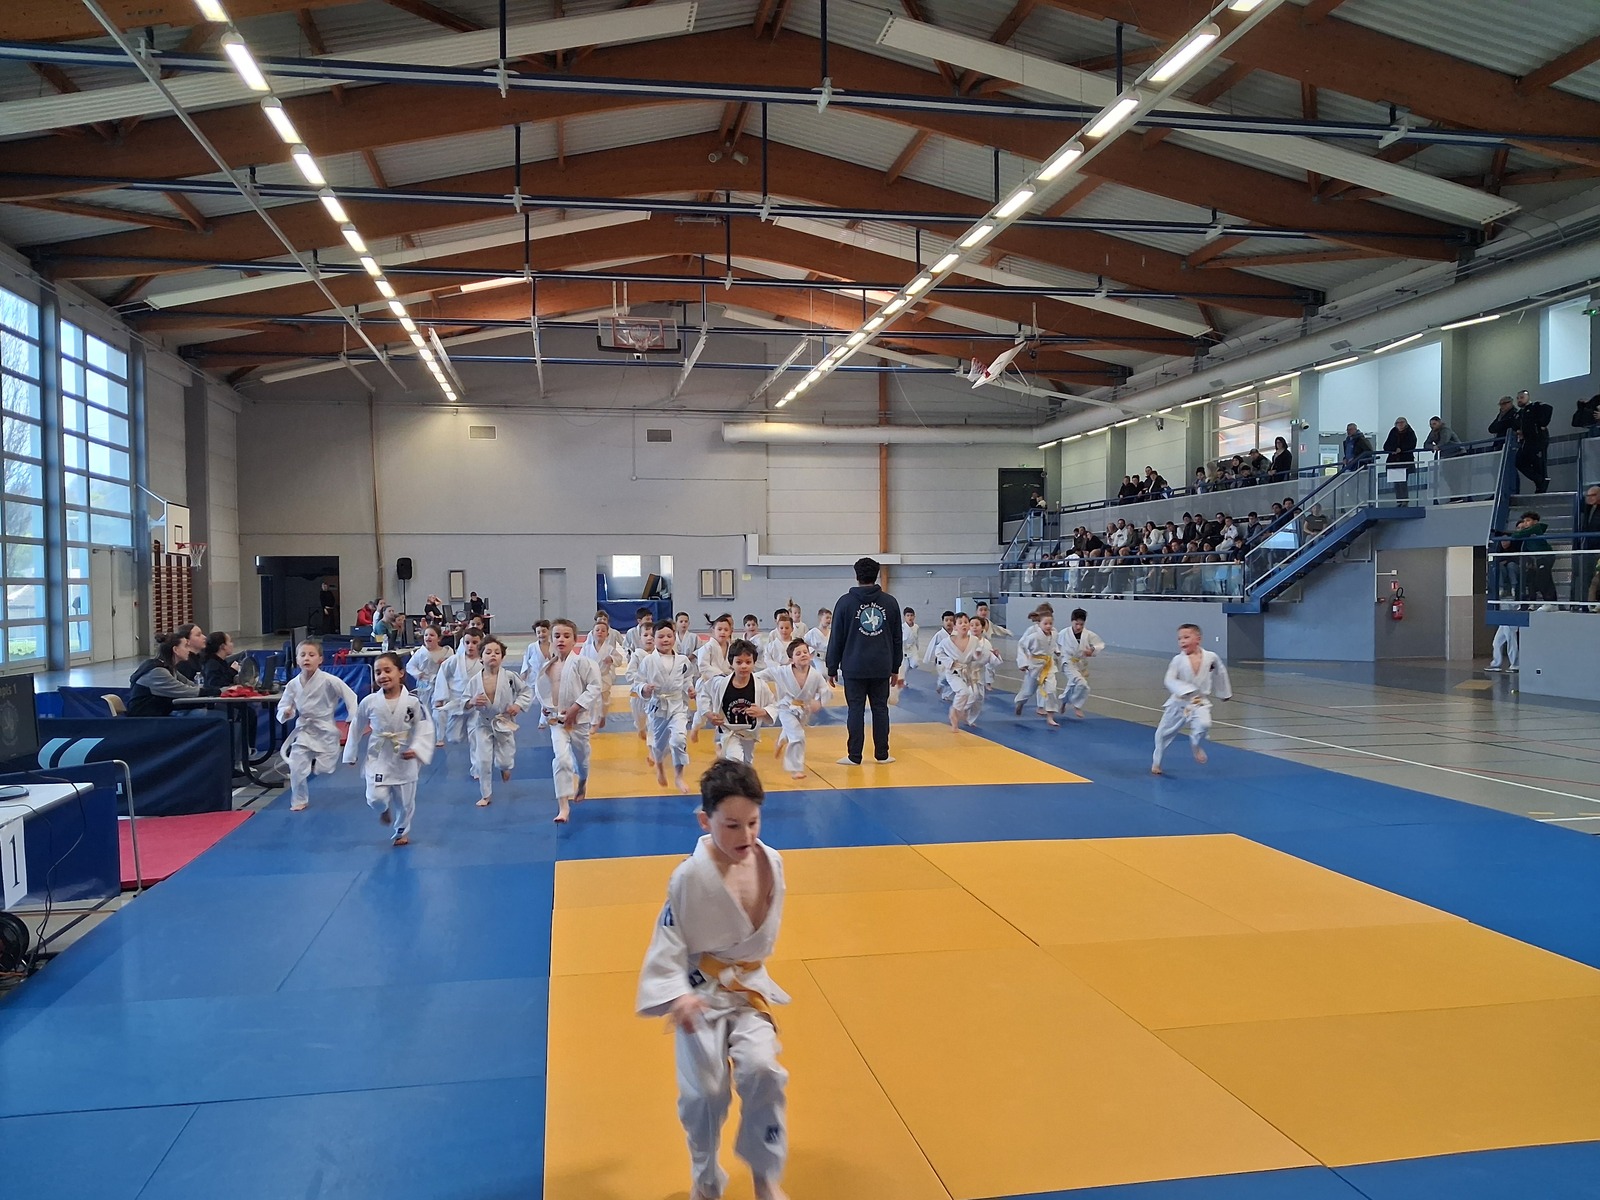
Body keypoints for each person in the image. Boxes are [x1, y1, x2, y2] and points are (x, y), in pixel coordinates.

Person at [636, 759, 789, 1200]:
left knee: (764, 1071)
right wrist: (675, 995)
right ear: (705, 821)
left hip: (748, 991)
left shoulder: (772, 863)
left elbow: (759, 939)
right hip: (698, 993)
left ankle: (764, 1174)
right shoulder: (689, 877)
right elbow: (668, 940)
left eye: (753, 823)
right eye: (732, 826)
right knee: (704, 1096)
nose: (746, 836)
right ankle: (705, 1179)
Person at [342, 651, 433, 845]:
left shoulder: (413, 702)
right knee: (375, 797)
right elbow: (357, 726)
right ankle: (383, 809)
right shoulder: (369, 702)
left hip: (404, 755)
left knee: (405, 802)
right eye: (378, 672)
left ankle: (401, 832)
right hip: (379, 754)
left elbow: (424, 726)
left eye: (387, 670)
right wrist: (350, 753)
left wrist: (417, 748)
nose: (382, 676)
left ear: (401, 672)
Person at [824, 557, 903, 766]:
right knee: (880, 709)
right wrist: (895, 666)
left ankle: (854, 756)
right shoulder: (890, 602)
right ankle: (882, 754)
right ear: (876, 575)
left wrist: (831, 667)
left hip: (854, 665)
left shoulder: (845, 603)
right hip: (881, 665)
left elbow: (836, 637)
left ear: (856, 575)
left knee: (855, 710)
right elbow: (897, 638)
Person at [276, 641, 361, 812]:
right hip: (304, 729)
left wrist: (352, 716)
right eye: (302, 655)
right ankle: (299, 799)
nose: (306, 658)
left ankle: (320, 764)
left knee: (325, 768)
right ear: (297, 660)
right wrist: (286, 712)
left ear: (320, 659)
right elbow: (284, 704)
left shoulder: (329, 680)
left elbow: (350, 696)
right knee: (296, 766)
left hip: (325, 730)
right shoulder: (293, 684)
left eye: (311, 655)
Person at [536, 618, 603, 824]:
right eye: (557, 636)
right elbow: (543, 692)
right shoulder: (548, 666)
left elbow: (595, 686)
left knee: (582, 762)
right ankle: (563, 806)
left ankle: (582, 780)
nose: (561, 640)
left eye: (566, 636)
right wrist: (546, 709)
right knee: (562, 759)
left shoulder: (584, 663)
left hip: (579, 721)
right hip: (557, 722)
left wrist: (576, 707)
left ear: (575, 640)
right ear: (551, 639)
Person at [1151, 623, 1232, 776]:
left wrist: (1224, 693)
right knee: (1162, 734)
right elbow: (1169, 680)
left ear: (1198, 639)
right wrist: (1185, 689)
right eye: (1179, 639)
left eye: (1186, 637)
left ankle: (1195, 744)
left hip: (1198, 701)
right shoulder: (1177, 660)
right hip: (1178, 701)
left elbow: (1220, 672)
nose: (1182, 641)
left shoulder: (1211, 657)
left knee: (1204, 724)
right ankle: (1157, 762)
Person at [465, 636, 533, 807]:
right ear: (481, 657)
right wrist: (472, 701)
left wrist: (517, 705)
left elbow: (526, 691)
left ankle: (505, 768)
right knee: (483, 761)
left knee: (504, 760)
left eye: (497, 652)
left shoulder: (509, 676)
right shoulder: (474, 681)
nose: (493, 655)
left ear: (502, 657)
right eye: (488, 652)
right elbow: (464, 701)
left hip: (504, 721)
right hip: (483, 723)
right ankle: (486, 794)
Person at [634, 623, 696, 794]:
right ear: (653, 639)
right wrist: (644, 688)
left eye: (669, 636)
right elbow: (638, 682)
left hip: (677, 706)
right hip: (657, 706)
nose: (665, 639)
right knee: (658, 745)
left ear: (674, 638)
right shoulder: (648, 661)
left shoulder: (682, 660)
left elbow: (687, 678)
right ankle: (660, 768)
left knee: (679, 740)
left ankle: (679, 776)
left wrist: (690, 688)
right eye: (660, 636)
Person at [694, 639, 775, 765]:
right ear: (731, 663)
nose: (744, 666)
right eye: (739, 662)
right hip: (728, 730)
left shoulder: (760, 686)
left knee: (747, 764)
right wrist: (708, 714)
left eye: (748, 662)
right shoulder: (720, 683)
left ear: (754, 663)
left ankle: (727, 766)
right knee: (735, 760)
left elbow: (773, 705)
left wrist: (763, 711)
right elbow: (704, 694)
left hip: (749, 732)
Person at [762, 638, 827, 780]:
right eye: (798, 653)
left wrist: (819, 701)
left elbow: (824, 690)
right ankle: (795, 769)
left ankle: (781, 740)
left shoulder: (815, 675)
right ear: (791, 659)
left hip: (804, 710)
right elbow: (762, 675)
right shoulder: (782, 671)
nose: (803, 655)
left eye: (805, 652)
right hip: (786, 708)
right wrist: (744, 677)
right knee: (797, 735)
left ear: (810, 655)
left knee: (792, 730)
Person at [938, 611, 998, 731]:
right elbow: (938, 652)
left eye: (966, 622)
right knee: (964, 692)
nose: (964, 625)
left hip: (968, 672)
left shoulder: (974, 640)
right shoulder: (947, 641)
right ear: (955, 627)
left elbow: (976, 656)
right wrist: (950, 662)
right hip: (954, 672)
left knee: (974, 696)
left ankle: (961, 713)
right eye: (960, 623)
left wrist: (978, 655)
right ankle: (954, 713)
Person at [127, 632, 202, 716]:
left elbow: (188, 684)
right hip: (145, 718)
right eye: (185, 646)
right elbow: (183, 690)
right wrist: (208, 692)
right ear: (175, 650)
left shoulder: (169, 668)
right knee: (200, 713)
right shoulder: (158, 672)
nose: (189, 650)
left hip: (160, 712)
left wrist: (206, 689)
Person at [433, 628, 484, 747]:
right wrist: (440, 698)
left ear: (481, 643)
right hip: (457, 701)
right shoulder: (455, 660)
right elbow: (442, 676)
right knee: (454, 738)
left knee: (475, 733)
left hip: (477, 702)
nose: (470, 646)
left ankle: (473, 739)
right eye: (467, 642)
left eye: (474, 643)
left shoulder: (484, 661)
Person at [580, 611, 627, 731]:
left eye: (603, 631)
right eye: (597, 630)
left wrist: (611, 659)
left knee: (604, 702)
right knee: (593, 700)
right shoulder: (586, 648)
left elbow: (619, 659)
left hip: (604, 677)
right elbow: (579, 660)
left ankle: (602, 716)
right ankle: (593, 722)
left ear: (607, 634)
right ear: (592, 633)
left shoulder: (609, 649)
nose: (600, 632)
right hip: (590, 678)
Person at [1014, 608, 1061, 725]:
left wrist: (1057, 651)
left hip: (1049, 666)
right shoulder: (1033, 636)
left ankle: (1050, 716)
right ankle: (1020, 702)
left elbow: (1053, 644)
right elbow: (1022, 647)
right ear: (1039, 624)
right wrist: (1023, 663)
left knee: (1051, 690)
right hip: (1034, 666)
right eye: (1045, 623)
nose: (1048, 626)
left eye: (1050, 623)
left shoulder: (1055, 634)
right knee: (1028, 691)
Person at [406, 625, 451, 745]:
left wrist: (445, 663)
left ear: (439, 638)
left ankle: (440, 737)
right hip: (424, 684)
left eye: (432, 635)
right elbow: (410, 666)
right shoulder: (420, 653)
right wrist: (418, 673)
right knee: (425, 710)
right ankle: (427, 733)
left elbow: (453, 668)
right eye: (426, 635)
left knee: (439, 710)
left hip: (440, 684)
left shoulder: (447, 652)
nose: (428, 637)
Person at [1057, 607, 1105, 720]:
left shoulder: (1088, 634)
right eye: (1076, 624)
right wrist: (1056, 654)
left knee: (1072, 684)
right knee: (1082, 683)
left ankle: (1064, 702)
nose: (1078, 627)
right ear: (1071, 621)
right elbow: (1055, 644)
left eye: (1081, 624)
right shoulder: (1064, 633)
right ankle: (1077, 705)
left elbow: (1100, 644)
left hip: (1079, 664)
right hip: (1068, 662)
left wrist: (1092, 650)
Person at [1512, 389, 1553, 494]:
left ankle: (1541, 487)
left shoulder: (1536, 406)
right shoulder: (1519, 413)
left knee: (1539, 464)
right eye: (1518, 398)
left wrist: (1543, 424)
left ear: (1528, 397)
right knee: (1519, 461)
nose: (1519, 400)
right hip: (1526, 442)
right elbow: (1515, 425)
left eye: (1522, 397)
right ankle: (1540, 481)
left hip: (1538, 440)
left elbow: (1549, 408)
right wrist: (1518, 431)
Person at [1383, 416, 1417, 502]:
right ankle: (1399, 500)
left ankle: (1404, 500)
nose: (1400, 424)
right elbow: (1386, 445)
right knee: (1396, 482)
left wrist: (1401, 449)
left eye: (1402, 422)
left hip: (1405, 461)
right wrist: (1393, 449)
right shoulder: (1393, 431)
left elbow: (1411, 444)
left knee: (1402, 482)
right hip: (1394, 461)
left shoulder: (1410, 432)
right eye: (1398, 423)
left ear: (1406, 423)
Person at [1576, 484, 1600, 605]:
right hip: (1589, 548)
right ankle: (1589, 605)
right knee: (1589, 578)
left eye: (1593, 495)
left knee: (1596, 580)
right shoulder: (1588, 509)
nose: (1589, 498)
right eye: (1588, 496)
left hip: (1598, 548)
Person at [899, 607, 920, 683]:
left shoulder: (916, 627)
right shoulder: (902, 627)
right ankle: (904, 681)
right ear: (904, 617)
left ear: (914, 616)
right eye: (908, 615)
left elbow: (916, 638)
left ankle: (910, 665)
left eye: (911, 615)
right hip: (904, 649)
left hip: (912, 647)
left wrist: (917, 646)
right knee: (905, 668)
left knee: (915, 664)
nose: (910, 617)